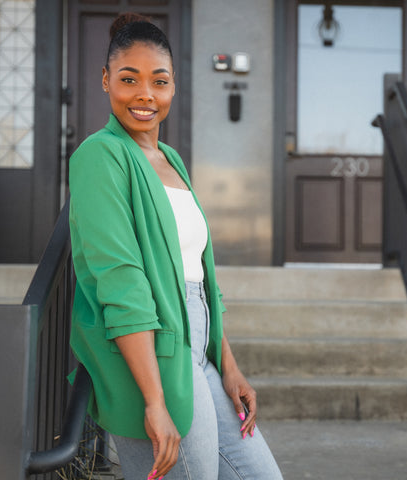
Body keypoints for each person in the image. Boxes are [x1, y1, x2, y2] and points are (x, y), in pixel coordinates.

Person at [68, 12, 284, 480]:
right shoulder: (99, 156)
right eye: (129, 79)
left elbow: (198, 274)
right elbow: (122, 282)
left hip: (199, 349)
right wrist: (153, 401)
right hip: (152, 357)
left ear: (173, 88)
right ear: (105, 81)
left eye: (158, 81)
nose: (145, 94)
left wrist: (229, 365)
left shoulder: (170, 160)